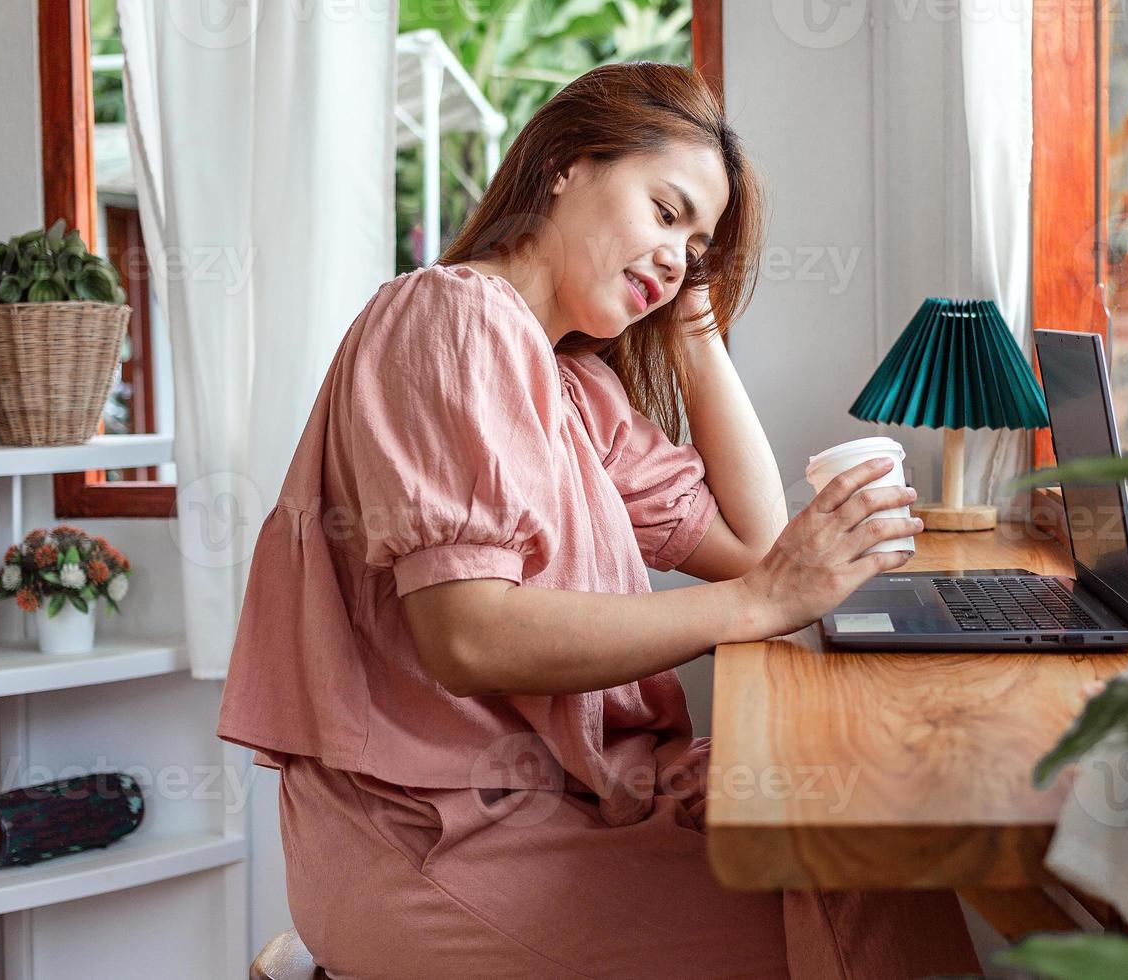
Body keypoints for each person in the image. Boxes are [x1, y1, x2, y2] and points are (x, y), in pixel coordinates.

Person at [218, 62, 979, 977]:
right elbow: (471, 635)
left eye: (697, 247)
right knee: (850, 912)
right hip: (434, 838)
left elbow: (753, 545)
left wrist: (691, 306)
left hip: (567, 800)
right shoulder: (449, 317)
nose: (676, 257)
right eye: (666, 212)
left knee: (869, 856)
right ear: (566, 166)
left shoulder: (576, 388)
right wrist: (766, 602)